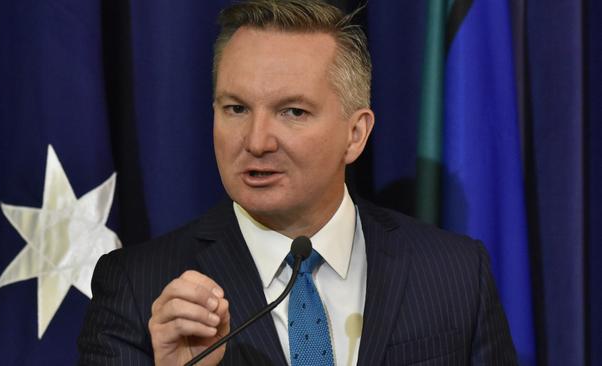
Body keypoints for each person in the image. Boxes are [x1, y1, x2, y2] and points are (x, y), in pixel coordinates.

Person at [78, 1, 518, 365]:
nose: (256, 141)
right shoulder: (139, 290)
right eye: (236, 109)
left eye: (293, 112)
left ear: (355, 134)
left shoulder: (456, 274)